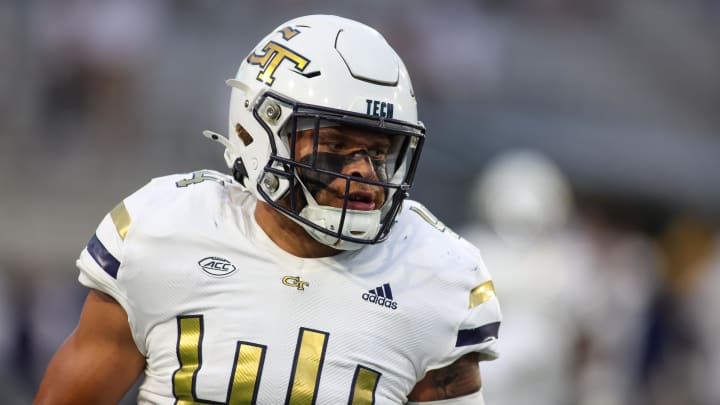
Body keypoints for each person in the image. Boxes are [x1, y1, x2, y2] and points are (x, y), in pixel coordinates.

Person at [34, 15, 501, 404]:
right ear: (258, 133)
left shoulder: (436, 273)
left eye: (379, 153)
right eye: (334, 144)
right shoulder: (164, 231)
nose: (364, 173)